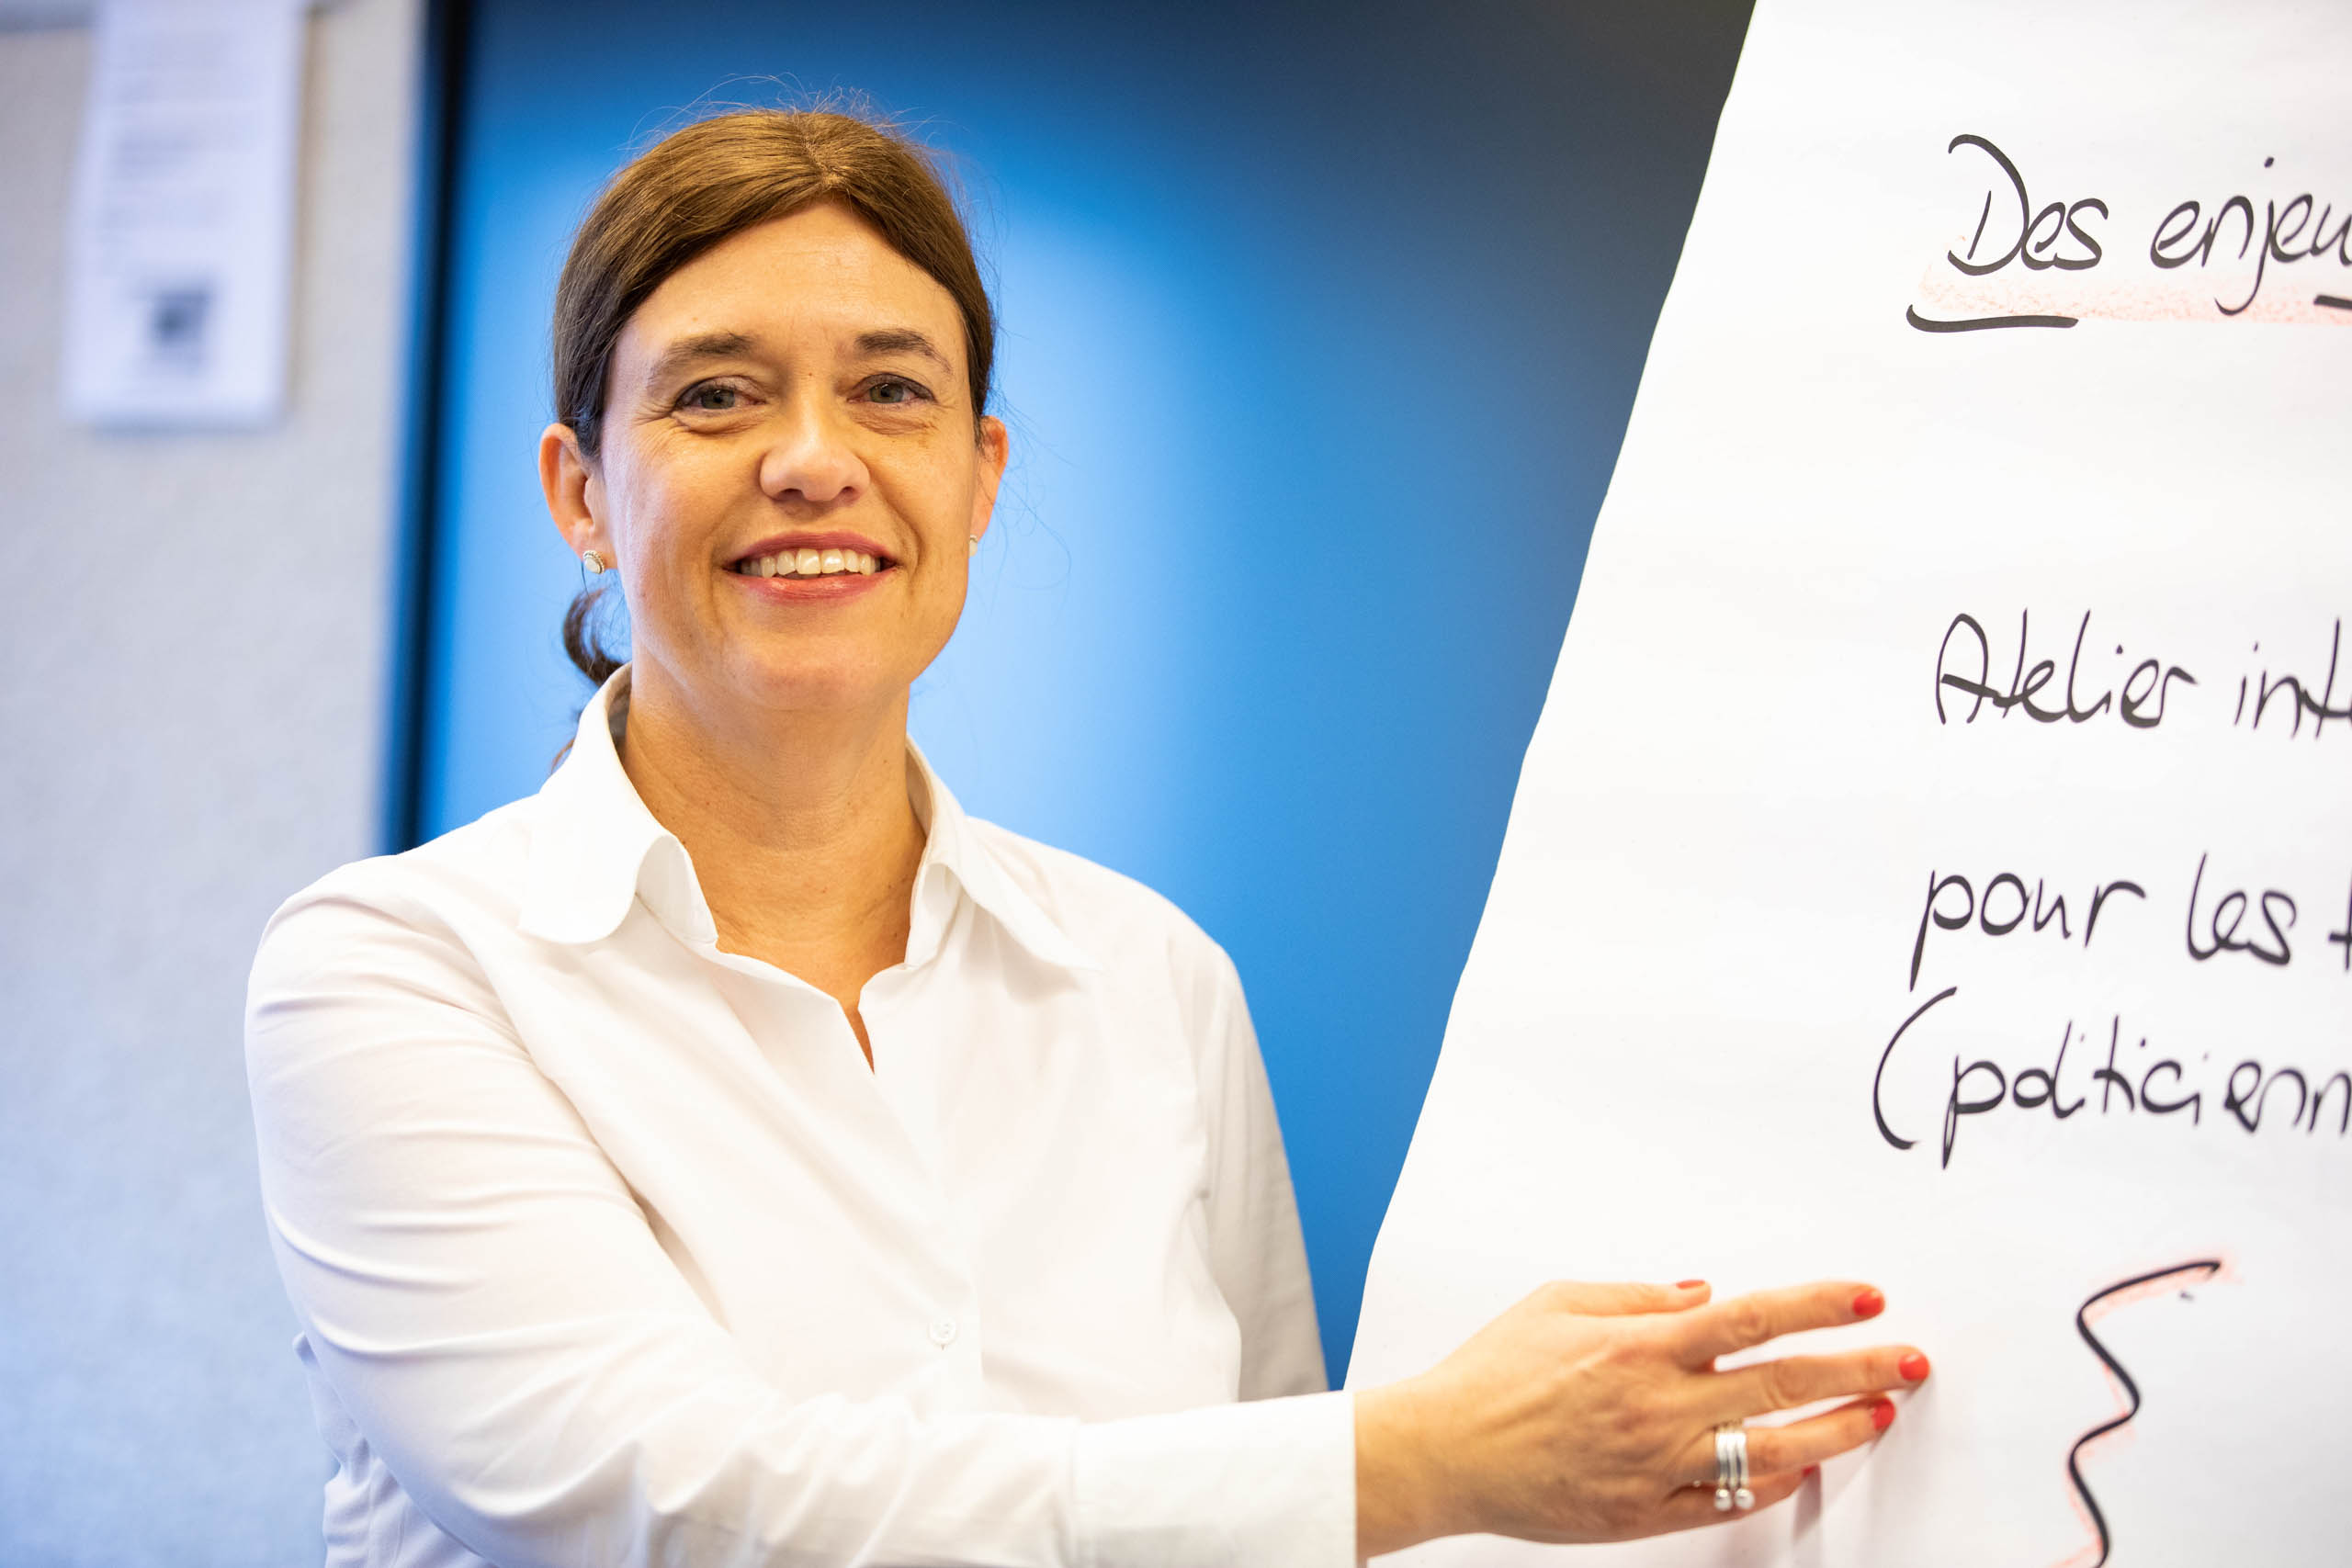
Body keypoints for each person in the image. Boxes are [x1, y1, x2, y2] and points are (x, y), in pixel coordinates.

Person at [245, 107, 1928, 1568]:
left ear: (979, 477)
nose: (815, 460)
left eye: (890, 391)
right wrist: (1424, 1458)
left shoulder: (1151, 978)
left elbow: (1258, 1530)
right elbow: (670, 1506)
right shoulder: (396, 974)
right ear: (581, 494)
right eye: (717, 396)